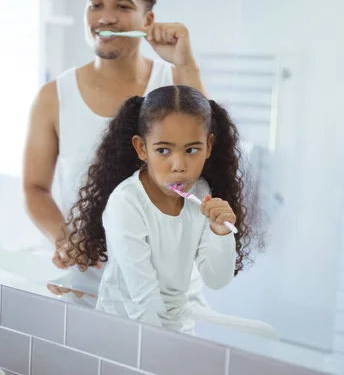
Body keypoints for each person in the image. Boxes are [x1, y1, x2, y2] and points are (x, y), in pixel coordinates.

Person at [23, 0, 208, 270]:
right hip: (87, 281)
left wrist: (185, 65)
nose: (105, 18)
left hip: (166, 285)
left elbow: (209, 157)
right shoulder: (53, 97)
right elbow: (34, 188)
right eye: (95, 5)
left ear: (147, 20)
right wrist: (67, 241)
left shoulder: (174, 83)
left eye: (122, 7)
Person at [64, 85, 258, 334]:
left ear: (209, 146)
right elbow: (143, 300)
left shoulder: (201, 193)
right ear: (142, 148)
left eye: (191, 150)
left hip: (175, 329)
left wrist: (221, 233)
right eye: (163, 150)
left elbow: (217, 280)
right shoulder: (127, 203)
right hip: (124, 330)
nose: (179, 166)